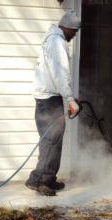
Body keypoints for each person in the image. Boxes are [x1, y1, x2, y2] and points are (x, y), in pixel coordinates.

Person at [25, 10, 81, 196]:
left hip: (46, 98)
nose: (75, 35)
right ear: (68, 28)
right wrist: (70, 99)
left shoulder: (51, 39)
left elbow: (54, 75)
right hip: (50, 100)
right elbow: (59, 74)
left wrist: (69, 96)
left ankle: (39, 179)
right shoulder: (57, 42)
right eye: (74, 31)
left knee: (49, 141)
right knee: (53, 141)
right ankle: (43, 182)